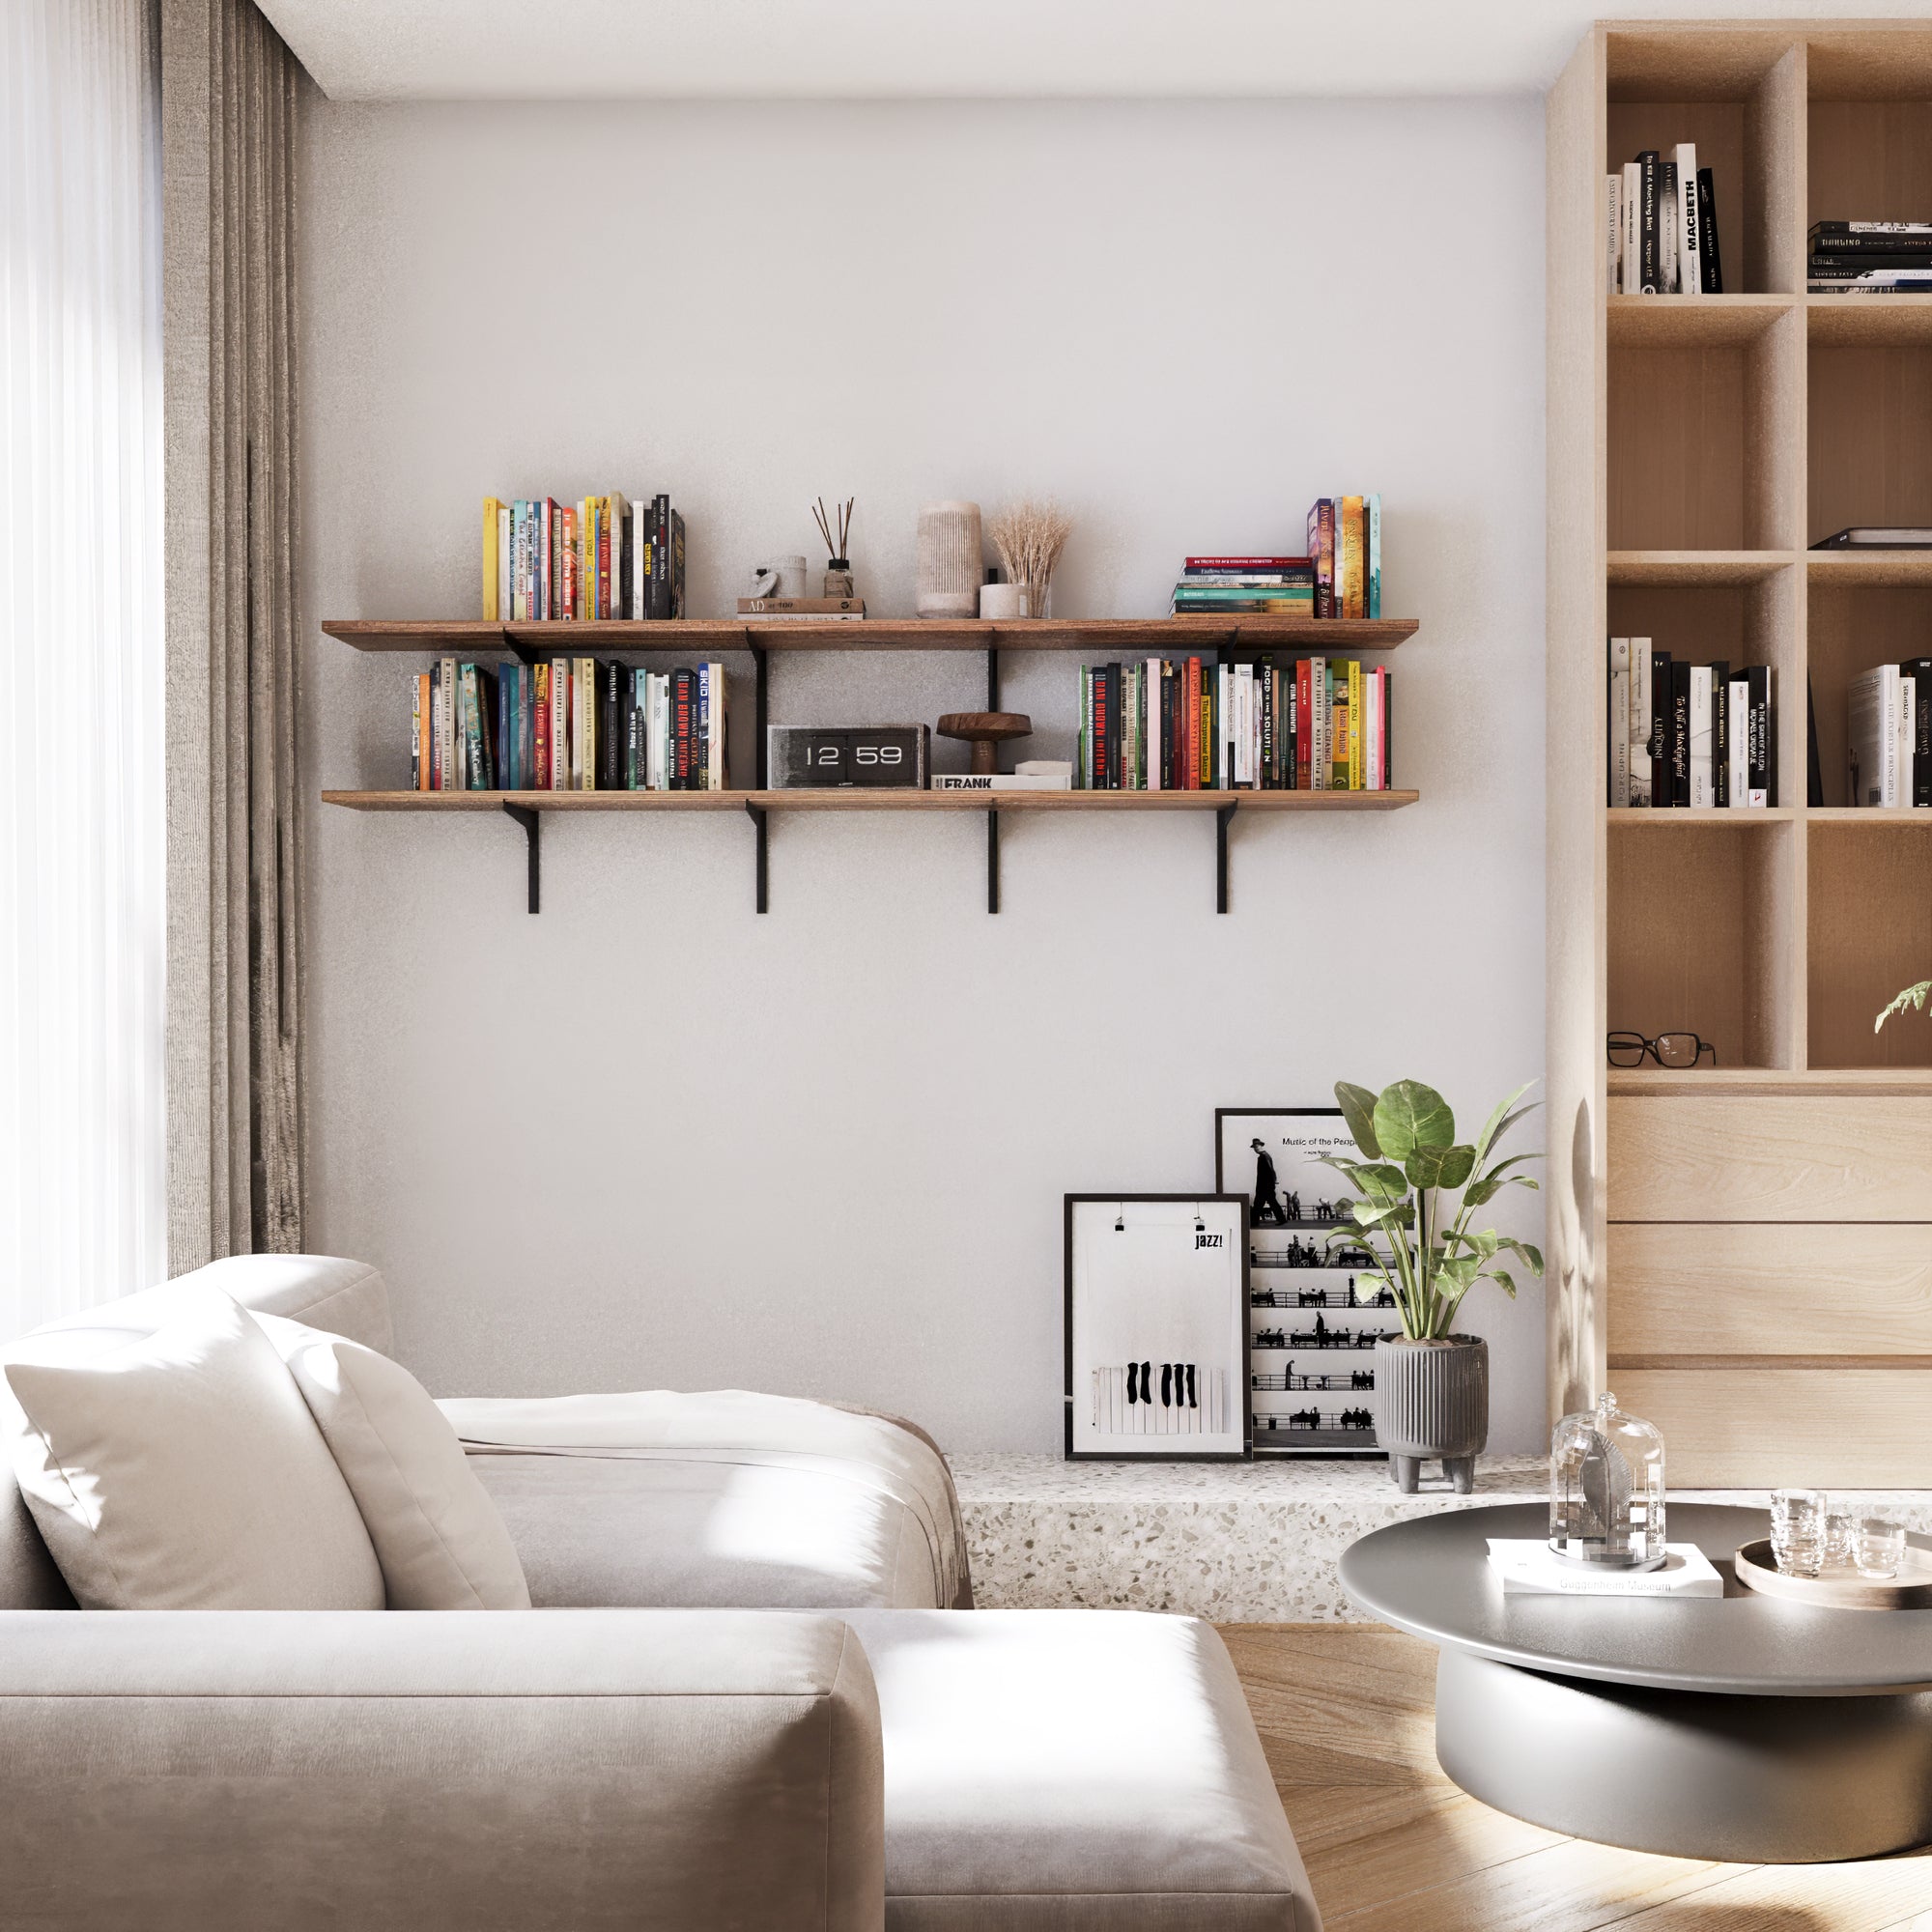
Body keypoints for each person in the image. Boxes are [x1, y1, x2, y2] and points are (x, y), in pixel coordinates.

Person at [1249, 1139, 1287, 1224]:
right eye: (1254, 1147)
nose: (1255, 1148)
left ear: (1261, 1146)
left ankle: (1254, 1222)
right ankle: (1281, 1219)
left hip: (1265, 1186)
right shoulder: (1264, 1156)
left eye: (1257, 1146)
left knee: (1260, 1203)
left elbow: (1271, 1170)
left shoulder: (1264, 1156)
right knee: (1268, 1202)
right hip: (1265, 1185)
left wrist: (1273, 1181)